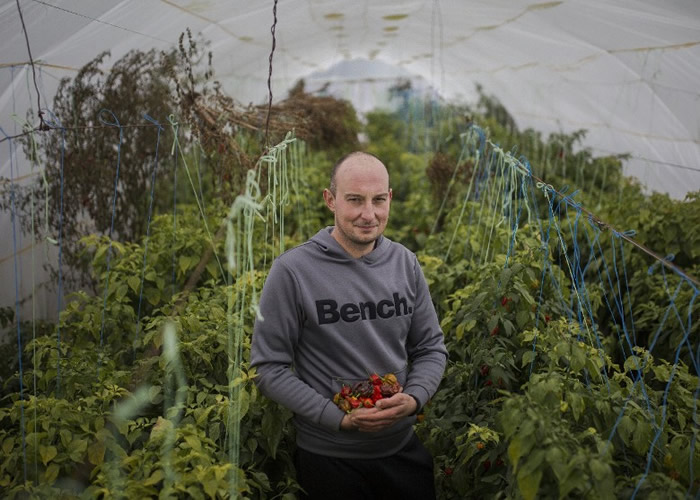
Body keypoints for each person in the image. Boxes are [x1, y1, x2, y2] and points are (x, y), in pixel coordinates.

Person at [250, 151, 447, 499]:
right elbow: (269, 368)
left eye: (378, 200)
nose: (368, 214)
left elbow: (430, 348)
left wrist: (414, 398)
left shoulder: (405, 263)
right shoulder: (293, 271)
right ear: (331, 200)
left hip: (402, 449)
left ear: (390, 198)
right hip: (330, 459)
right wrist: (336, 417)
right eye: (355, 200)